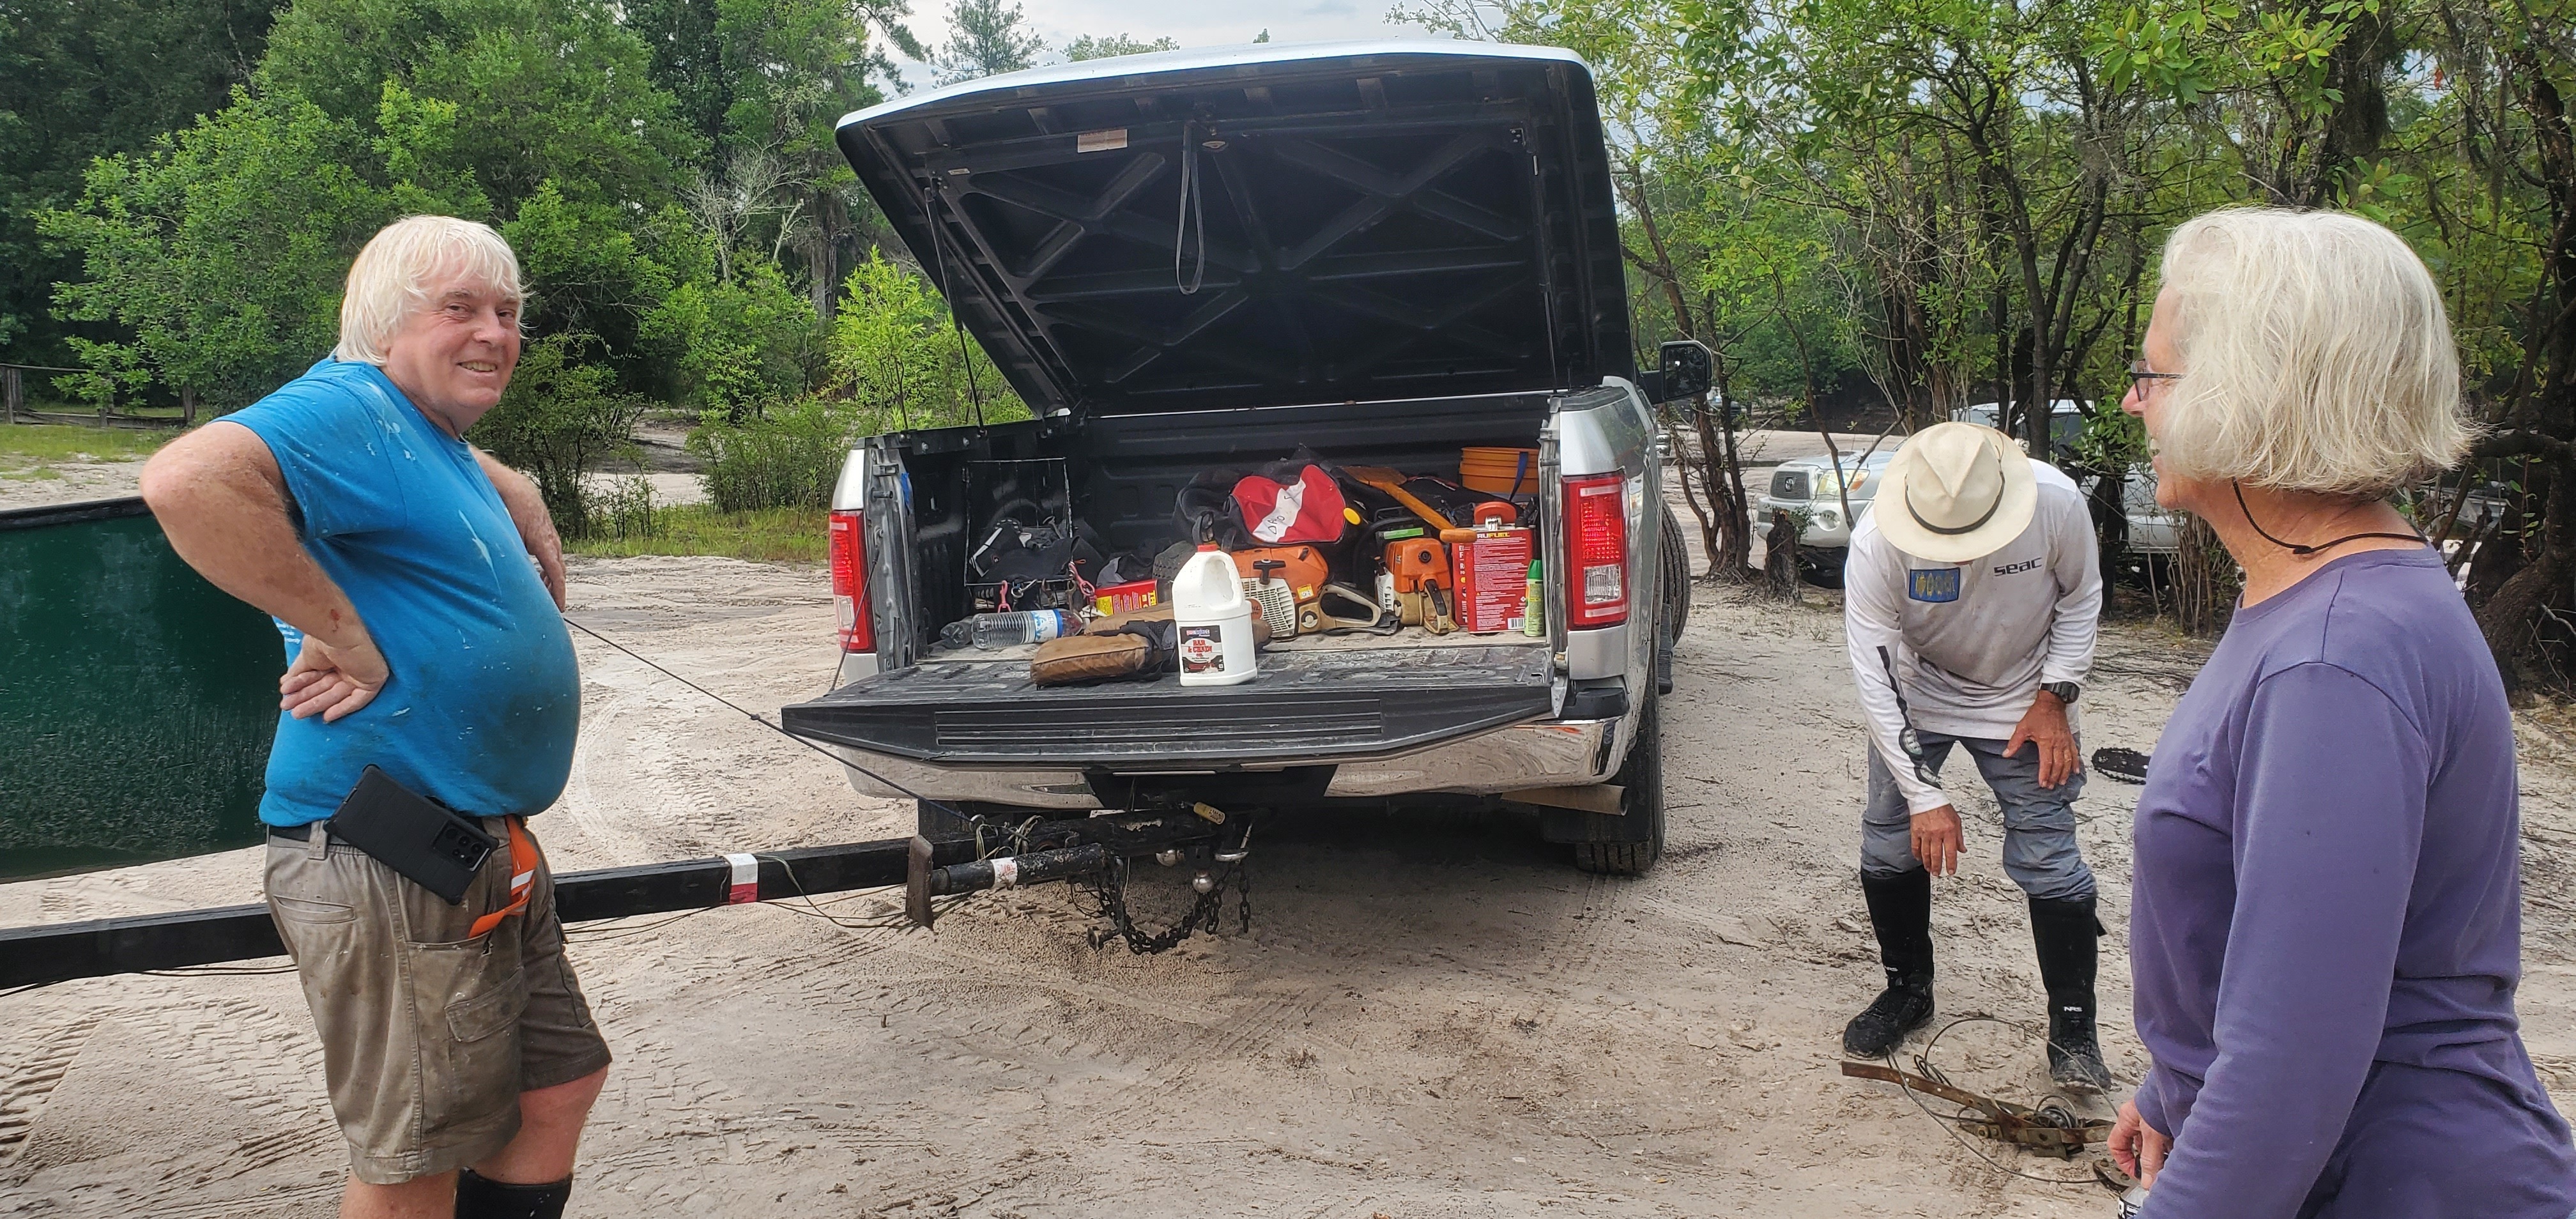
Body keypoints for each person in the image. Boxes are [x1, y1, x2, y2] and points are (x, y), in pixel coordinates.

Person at [2103, 208, 2576, 1216]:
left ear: (2250, 395)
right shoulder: (2326, 594)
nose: (2134, 401)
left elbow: (2294, 1058)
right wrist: (2174, 1082)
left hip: (2391, 1178)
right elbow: (2299, 939)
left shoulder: (2333, 654)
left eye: (2155, 375)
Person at [139, 216, 610, 1219]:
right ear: (383, 326)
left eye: (508, 313)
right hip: (388, 848)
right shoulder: (349, 405)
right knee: (416, 1159)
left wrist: (506, 478)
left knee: (554, 1089)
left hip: (477, 841)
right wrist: (342, 633)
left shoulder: (417, 428)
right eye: (460, 309)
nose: (493, 333)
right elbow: (185, 480)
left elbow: (410, 460)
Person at [1841, 420, 2110, 1089]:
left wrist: (2056, 698)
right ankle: (1908, 989)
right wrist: (1925, 795)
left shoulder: (2055, 502)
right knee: (1889, 845)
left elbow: (2081, 600)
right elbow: (1873, 677)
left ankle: (2074, 1029)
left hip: (2027, 695)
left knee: (2049, 851)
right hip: (1920, 687)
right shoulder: (1877, 542)